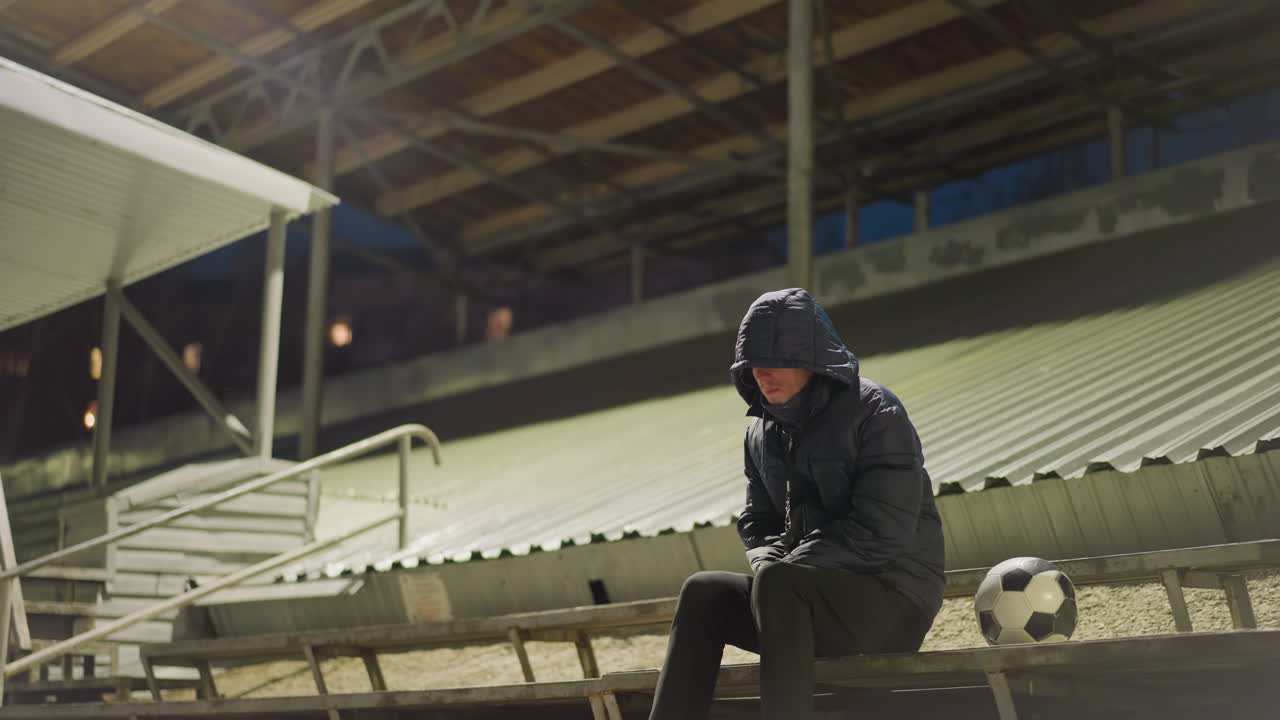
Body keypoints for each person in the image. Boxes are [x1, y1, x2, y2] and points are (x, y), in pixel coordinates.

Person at [648, 288, 945, 720]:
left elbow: (883, 531)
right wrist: (773, 563)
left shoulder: (875, 411)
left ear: (813, 360)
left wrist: (785, 569)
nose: (761, 373)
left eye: (776, 359)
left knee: (780, 582)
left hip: (892, 602)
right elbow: (758, 523)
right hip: (797, 601)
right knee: (704, 591)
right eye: (752, 362)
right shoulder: (760, 433)